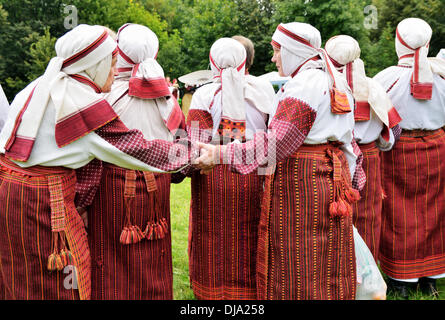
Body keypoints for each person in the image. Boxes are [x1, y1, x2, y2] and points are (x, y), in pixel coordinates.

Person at [0, 24, 193, 300]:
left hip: (10, 198)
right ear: (96, 64)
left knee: (19, 278)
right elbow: (139, 149)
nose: (115, 72)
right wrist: (197, 153)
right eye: (112, 63)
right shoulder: (82, 104)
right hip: (42, 204)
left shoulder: (40, 87)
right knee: (60, 284)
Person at [197, 22, 365, 300]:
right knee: (324, 255)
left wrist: (220, 153)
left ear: (293, 51)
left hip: (304, 183)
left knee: (299, 258)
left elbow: (278, 142)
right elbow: (350, 139)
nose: (274, 58)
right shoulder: (334, 80)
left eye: (277, 51)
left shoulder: (305, 85)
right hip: (329, 176)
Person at [76, 23, 185, 300]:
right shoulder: (167, 97)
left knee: (111, 261)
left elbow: (91, 156)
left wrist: (82, 202)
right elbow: (180, 153)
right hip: (157, 188)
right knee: (154, 259)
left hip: (111, 190)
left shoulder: (103, 98)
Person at [186, 37, 275, 300]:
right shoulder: (264, 90)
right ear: (245, 61)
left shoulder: (204, 94)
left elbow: (195, 141)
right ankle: (249, 293)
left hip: (212, 172)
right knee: (251, 231)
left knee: (212, 234)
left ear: (212, 62)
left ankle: (212, 292)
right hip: (254, 169)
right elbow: (272, 134)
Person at [373, 18, 445, 299]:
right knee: (434, 213)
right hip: (438, 147)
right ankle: (429, 279)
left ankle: (401, 280)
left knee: (400, 214)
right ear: (428, 44)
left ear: (398, 41)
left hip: (399, 151)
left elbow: (372, 123)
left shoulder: (385, 78)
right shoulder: (441, 75)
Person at [325, 35, 402, 260]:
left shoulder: (324, 85)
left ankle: (338, 275)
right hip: (368, 157)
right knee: (368, 216)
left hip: (332, 158)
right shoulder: (374, 86)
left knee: (335, 215)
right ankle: (368, 278)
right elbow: (393, 131)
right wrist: (379, 145)